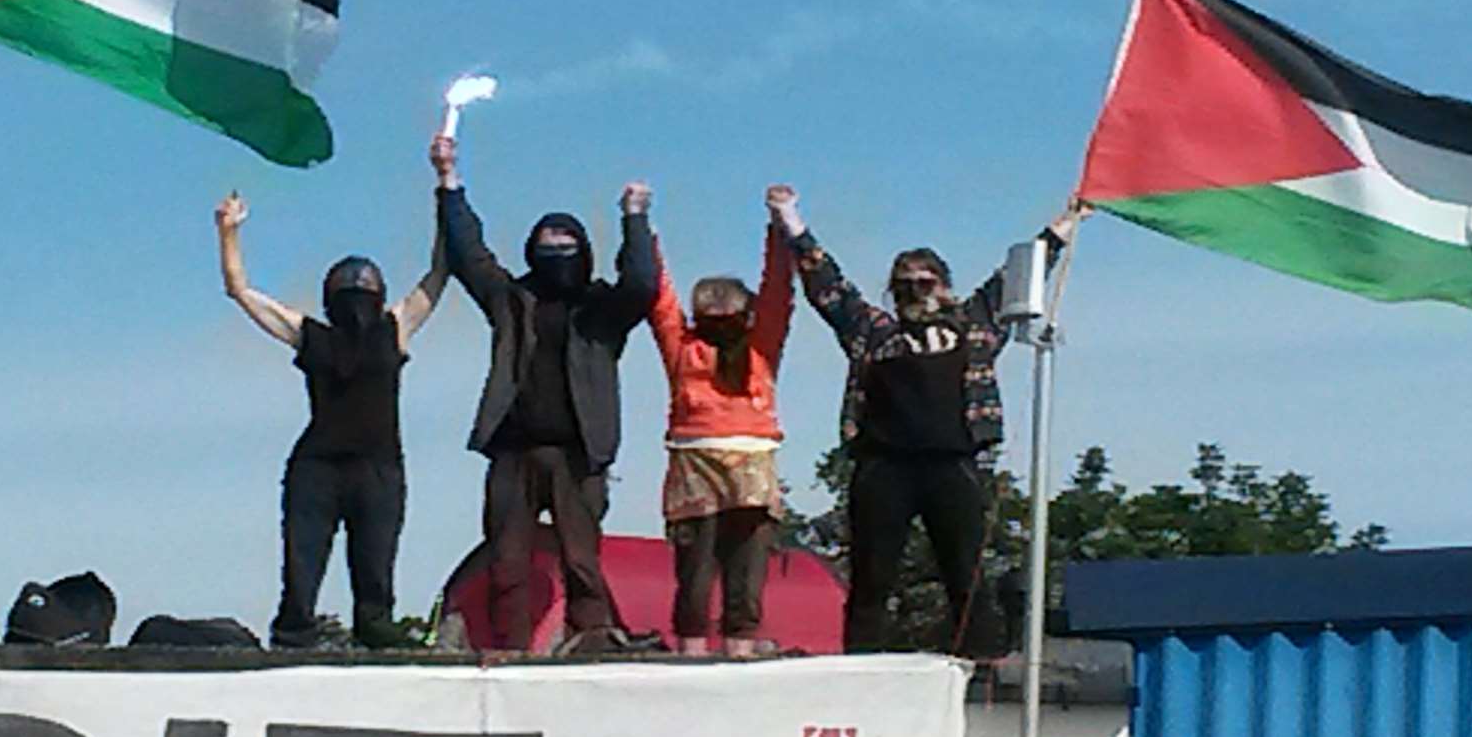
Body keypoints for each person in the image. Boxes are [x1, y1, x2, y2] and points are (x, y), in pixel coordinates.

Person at [772, 186, 1087, 653]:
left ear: (944, 285)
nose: (914, 291)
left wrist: (1070, 219)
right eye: (904, 284)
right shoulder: (873, 330)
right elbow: (826, 283)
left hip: (953, 464)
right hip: (883, 466)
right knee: (871, 578)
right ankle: (861, 668)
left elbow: (1023, 271)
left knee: (967, 574)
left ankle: (979, 663)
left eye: (924, 282)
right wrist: (789, 217)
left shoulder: (975, 322)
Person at [429, 134, 660, 653]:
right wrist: (448, 182)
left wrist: (636, 218)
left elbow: (643, 283)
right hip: (513, 451)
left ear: (585, 253)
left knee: (583, 562)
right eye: (546, 247)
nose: (556, 254)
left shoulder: (603, 310)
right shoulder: (513, 299)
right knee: (506, 562)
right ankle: (507, 652)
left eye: (566, 246)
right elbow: (470, 256)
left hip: (580, 454)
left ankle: (592, 643)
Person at [215, 190, 447, 649]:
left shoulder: (332, 333)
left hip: (364, 469)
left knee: (371, 573)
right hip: (329, 469)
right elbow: (437, 276)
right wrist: (228, 231)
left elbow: (439, 273)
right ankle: (298, 637)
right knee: (305, 576)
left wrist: (229, 232)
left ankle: (357, 632)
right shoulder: (379, 330)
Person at [646, 186, 797, 656]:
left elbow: (777, 292)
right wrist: (641, 229)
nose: (714, 318)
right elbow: (659, 299)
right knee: (694, 570)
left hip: (752, 461)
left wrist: (779, 225)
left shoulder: (759, 347)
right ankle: (692, 655)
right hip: (694, 463)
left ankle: (740, 652)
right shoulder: (685, 348)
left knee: (745, 571)